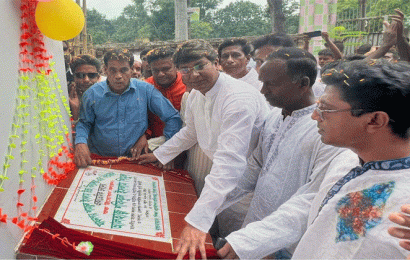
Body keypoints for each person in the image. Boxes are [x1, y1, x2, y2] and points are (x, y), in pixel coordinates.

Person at [219, 58, 410, 259]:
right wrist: (249, 241)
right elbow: (312, 201)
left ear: (375, 120)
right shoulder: (347, 159)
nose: (315, 116)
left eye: (326, 109)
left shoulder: (404, 204)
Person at [138, 39, 270, 259]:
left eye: (200, 66)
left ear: (216, 62)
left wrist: (197, 222)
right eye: (186, 70)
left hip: (246, 182)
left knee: (236, 242)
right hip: (222, 177)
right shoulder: (197, 95)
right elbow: (191, 132)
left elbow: (230, 163)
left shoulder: (237, 98)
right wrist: (160, 154)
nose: (194, 74)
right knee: (217, 237)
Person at [215, 48, 345, 259]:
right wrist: (210, 204)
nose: (263, 91)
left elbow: (313, 198)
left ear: (303, 84)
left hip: (290, 241)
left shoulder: (326, 133)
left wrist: (257, 240)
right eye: (262, 82)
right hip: (257, 222)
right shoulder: (274, 115)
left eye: (271, 84)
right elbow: (255, 167)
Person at [74, 49, 182, 167]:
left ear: (132, 70)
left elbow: (172, 117)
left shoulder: (145, 90)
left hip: (137, 159)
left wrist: (167, 151)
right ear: (105, 70)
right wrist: (80, 143)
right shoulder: (91, 94)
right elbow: (84, 123)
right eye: (113, 70)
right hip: (101, 158)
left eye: (124, 70)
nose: (118, 76)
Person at [144, 47, 187, 151]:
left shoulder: (188, 84)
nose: (160, 74)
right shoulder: (145, 87)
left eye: (166, 69)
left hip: (187, 142)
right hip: (155, 145)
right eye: (155, 70)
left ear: (176, 66)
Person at [68, 54, 103, 122]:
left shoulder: (106, 98)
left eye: (91, 75)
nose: (86, 80)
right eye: (80, 75)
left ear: (98, 77)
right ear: (73, 77)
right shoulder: (65, 98)